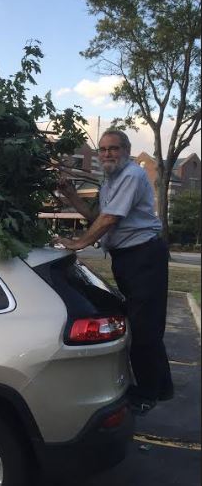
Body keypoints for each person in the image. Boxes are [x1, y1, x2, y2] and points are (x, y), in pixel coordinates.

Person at [56, 129, 174, 415]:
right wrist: (72, 196)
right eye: (103, 150)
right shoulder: (111, 181)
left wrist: (78, 243)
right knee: (146, 323)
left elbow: (109, 219)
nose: (107, 154)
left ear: (127, 150)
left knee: (144, 327)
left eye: (114, 148)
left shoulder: (132, 175)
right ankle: (162, 387)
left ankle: (146, 394)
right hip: (128, 258)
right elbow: (98, 218)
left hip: (143, 257)